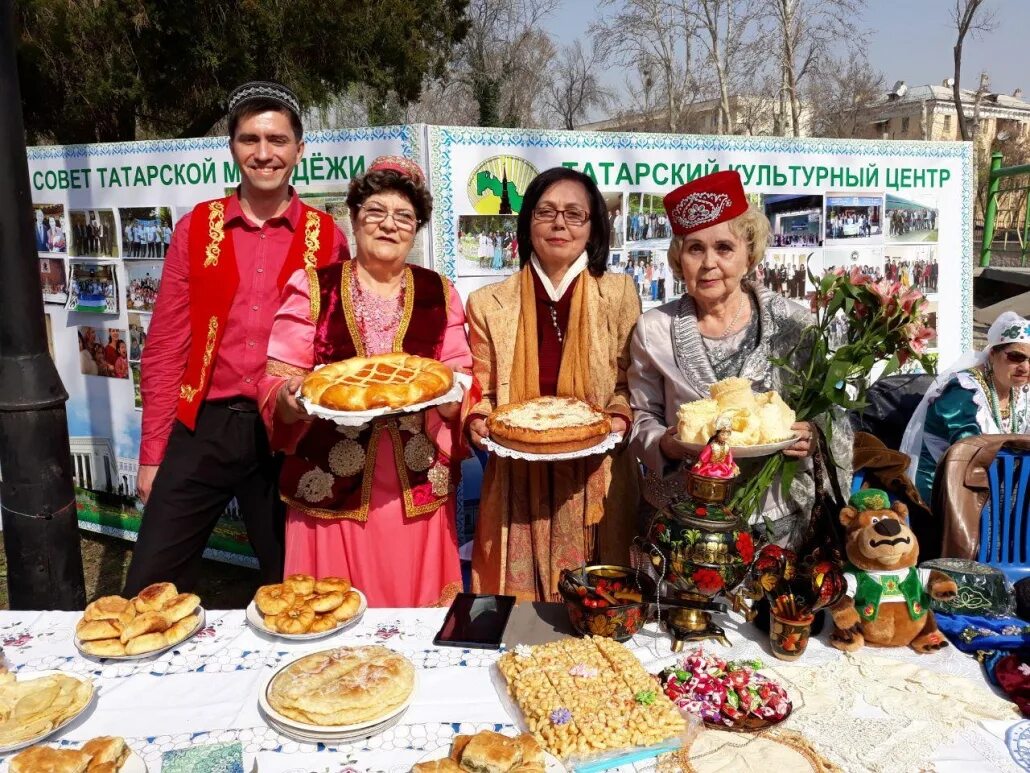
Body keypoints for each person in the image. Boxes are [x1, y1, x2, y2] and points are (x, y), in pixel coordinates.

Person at [124, 81, 349, 595]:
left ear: (299, 150)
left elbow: (334, 347)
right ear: (232, 147)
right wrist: (153, 454)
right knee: (149, 582)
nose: (264, 153)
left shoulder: (326, 235)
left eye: (277, 140)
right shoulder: (196, 228)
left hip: (286, 430)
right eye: (250, 139)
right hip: (204, 424)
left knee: (295, 586)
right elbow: (164, 347)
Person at [258, 156, 469, 607]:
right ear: (353, 218)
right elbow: (277, 378)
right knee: (329, 617)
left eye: (404, 216)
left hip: (415, 481)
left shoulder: (439, 292)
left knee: (417, 616)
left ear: (416, 229)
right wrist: (291, 399)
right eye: (375, 212)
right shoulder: (313, 287)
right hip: (329, 482)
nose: (389, 225)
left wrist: (456, 401)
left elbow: (458, 372)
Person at [628, 170, 851, 549]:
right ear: (679, 259)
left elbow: (832, 414)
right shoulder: (654, 329)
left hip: (777, 521)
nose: (709, 262)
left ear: (749, 254)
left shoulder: (794, 324)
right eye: (695, 249)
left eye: (724, 248)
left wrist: (813, 436)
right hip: (686, 523)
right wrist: (665, 444)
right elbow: (641, 417)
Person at [466, 167, 641, 602]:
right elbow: (483, 391)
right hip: (517, 481)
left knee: (600, 604)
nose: (559, 223)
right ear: (527, 223)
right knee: (523, 621)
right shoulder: (489, 304)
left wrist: (619, 414)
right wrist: (478, 418)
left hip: (596, 475)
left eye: (573, 214)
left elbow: (629, 381)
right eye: (545, 212)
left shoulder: (618, 294)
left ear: (593, 226)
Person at [901, 311, 1030, 504]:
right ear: (993, 354)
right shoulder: (964, 391)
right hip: (946, 490)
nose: (1025, 368)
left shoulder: (1020, 391)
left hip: (993, 486)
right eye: (1015, 357)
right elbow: (971, 450)